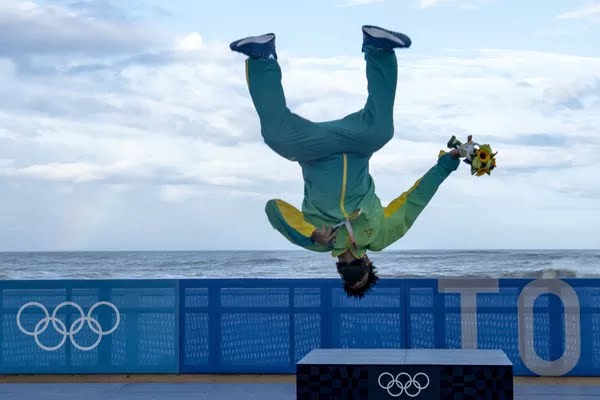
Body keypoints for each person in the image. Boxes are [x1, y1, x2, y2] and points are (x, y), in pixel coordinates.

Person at [230, 26, 461, 298]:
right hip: (356, 147)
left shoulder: (316, 242)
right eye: (356, 271)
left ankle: (261, 57)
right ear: (367, 263)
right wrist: (449, 162)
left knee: (275, 136)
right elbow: (415, 200)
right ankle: (378, 49)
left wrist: (311, 233)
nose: (347, 264)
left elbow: (274, 209)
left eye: (344, 271)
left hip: (312, 151)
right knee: (382, 131)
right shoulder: (380, 235)